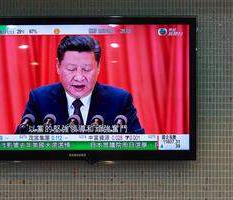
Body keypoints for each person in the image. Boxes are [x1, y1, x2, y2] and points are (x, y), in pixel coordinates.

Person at [16, 35, 144, 134]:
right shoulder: (39, 99)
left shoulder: (120, 101)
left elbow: (139, 145)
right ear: (58, 66)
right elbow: (20, 144)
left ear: (98, 67)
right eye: (71, 69)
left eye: (86, 69)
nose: (78, 77)